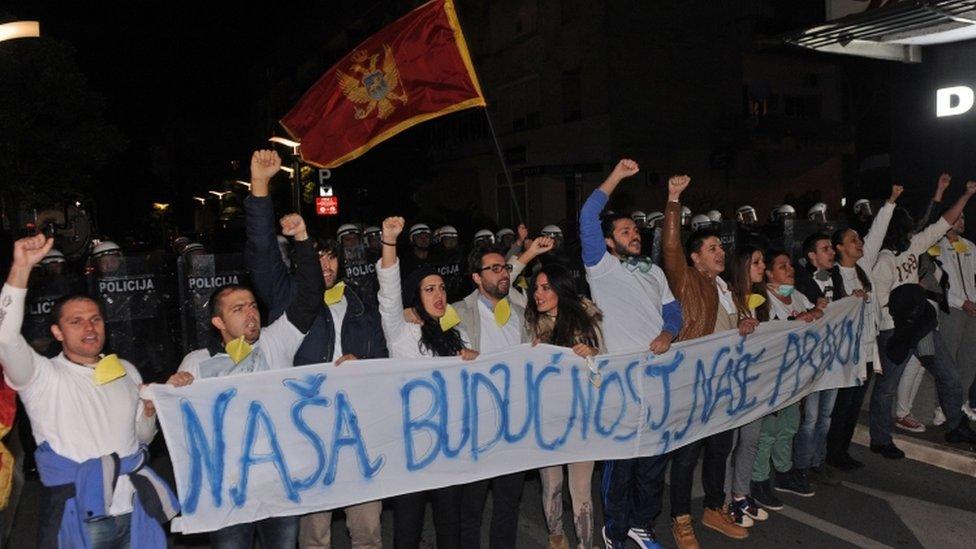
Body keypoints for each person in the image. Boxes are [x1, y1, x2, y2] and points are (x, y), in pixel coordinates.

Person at [243, 150, 388, 549]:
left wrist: (365, 365)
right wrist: (260, 188)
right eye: (317, 259)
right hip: (308, 430)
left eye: (331, 259)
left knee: (368, 532)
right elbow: (261, 252)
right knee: (314, 536)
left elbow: (384, 359)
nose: (325, 267)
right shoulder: (291, 300)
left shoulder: (360, 303)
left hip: (357, 428)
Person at [0, 234, 178, 548]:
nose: (90, 328)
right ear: (57, 331)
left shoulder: (125, 369)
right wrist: (21, 268)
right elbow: (5, 339)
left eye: (96, 319)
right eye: (77, 321)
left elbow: (142, 439)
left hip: (135, 507)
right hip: (82, 512)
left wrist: (148, 413)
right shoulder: (42, 376)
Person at [175, 207, 324, 548]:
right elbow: (180, 424)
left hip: (279, 481)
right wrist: (172, 392)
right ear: (218, 323)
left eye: (253, 305)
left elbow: (311, 296)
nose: (250, 314)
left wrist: (302, 239)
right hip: (228, 490)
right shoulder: (198, 363)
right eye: (238, 310)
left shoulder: (276, 340)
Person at [580, 159, 682, 549]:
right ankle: (615, 530)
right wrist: (618, 177)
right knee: (621, 463)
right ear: (609, 241)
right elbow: (589, 214)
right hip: (621, 385)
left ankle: (642, 523)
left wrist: (668, 332)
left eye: (635, 229)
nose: (634, 234)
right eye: (625, 230)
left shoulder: (653, 272)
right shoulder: (601, 268)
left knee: (653, 459)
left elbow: (673, 310)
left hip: (658, 381)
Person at [376, 216, 477, 549]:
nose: (439, 295)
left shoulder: (453, 335)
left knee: (450, 524)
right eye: (429, 289)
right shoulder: (402, 331)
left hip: (448, 447)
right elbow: (389, 294)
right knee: (408, 527)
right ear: (416, 296)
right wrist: (389, 242)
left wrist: (471, 361)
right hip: (410, 450)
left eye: (442, 288)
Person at [663, 175, 749, 547]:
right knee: (685, 457)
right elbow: (670, 247)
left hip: (725, 383)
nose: (720, 252)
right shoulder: (686, 280)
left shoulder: (726, 288)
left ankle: (714, 508)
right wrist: (673, 201)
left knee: (719, 449)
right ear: (695, 258)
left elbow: (731, 328)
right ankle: (680, 520)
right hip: (693, 383)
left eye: (720, 246)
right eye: (711, 247)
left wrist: (745, 323)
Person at [869, 174, 976, 459]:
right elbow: (881, 307)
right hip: (896, 332)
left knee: (949, 375)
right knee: (887, 387)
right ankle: (880, 439)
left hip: (920, 327)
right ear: (899, 231)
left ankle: (955, 426)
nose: (913, 231)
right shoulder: (884, 262)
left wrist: (965, 197)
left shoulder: (912, 248)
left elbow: (942, 223)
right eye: (908, 228)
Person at [455, 244, 530, 549]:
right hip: (477, 425)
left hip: (515, 424)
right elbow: (430, 343)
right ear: (476, 276)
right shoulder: (458, 312)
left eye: (506, 268)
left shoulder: (522, 314)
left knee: (508, 504)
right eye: (495, 269)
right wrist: (456, 352)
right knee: (470, 507)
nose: (503, 274)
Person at [524, 264, 603, 549]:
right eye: (535, 288)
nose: (538, 294)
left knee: (581, 489)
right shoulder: (530, 324)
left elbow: (609, 366)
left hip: (582, 417)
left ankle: (586, 543)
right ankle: (556, 536)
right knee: (552, 485)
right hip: (547, 419)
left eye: (546, 288)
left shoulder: (589, 320)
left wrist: (594, 354)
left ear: (561, 288)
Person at [824, 185, 900, 471]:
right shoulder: (833, 275)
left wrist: (890, 201)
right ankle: (831, 452)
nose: (859, 243)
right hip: (843, 355)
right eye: (852, 240)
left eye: (858, 239)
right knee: (841, 407)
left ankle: (841, 451)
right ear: (839, 248)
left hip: (867, 350)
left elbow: (877, 232)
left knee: (854, 406)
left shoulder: (863, 268)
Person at [751, 250, 824, 508]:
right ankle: (758, 480)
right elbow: (765, 334)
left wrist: (818, 311)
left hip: (794, 377)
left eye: (790, 265)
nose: (790, 269)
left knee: (789, 426)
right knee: (767, 431)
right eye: (782, 266)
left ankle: (783, 472)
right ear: (769, 274)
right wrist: (797, 320)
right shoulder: (762, 300)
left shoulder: (797, 296)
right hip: (770, 379)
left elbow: (814, 319)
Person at [791, 232, 842, 487]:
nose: (832, 252)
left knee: (826, 416)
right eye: (825, 249)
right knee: (810, 417)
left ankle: (817, 462)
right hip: (812, 359)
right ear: (812, 256)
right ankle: (801, 465)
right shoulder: (801, 283)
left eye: (831, 248)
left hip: (833, 357)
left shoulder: (837, 276)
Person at [725, 246, 771, 527]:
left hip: (756, 384)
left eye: (762, 261)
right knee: (728, 445)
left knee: (750, 440)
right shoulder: (728, 298)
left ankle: (741, 494)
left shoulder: (763, 301)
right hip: (731, 385)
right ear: (741, 266)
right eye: (756, 262)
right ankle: (724, 500)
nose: (762, 266)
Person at [933, 213, 976, 422]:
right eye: (958, 219)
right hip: (952, 309)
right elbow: (937, 285)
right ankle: (941, 407)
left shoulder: (970, 246)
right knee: (947, 362)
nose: (962, 222)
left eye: (963, 218)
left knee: (969, 360)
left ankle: (962, 402)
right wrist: (961, 302)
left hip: (973, 310)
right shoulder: (936, 247)